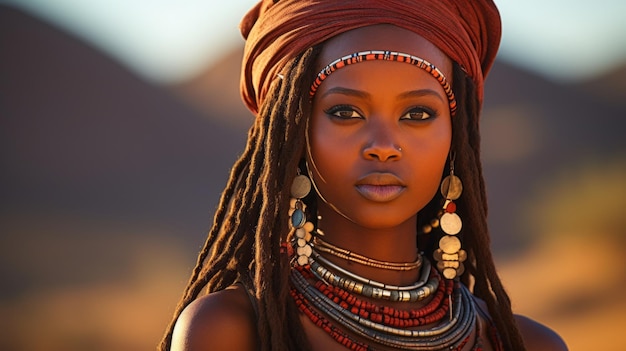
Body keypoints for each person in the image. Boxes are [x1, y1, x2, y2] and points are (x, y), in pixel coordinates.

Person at [159, 1, 568, 350]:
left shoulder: (525, 344)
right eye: (345, 113)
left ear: (455, 139)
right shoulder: (230, 330)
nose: (384, 145)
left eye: (418, 114)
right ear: (294, 133)